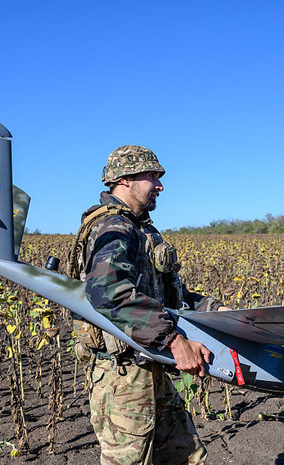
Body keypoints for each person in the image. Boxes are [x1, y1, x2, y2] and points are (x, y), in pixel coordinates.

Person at [68, 145, 228, 465]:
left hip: (149, 361)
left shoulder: (141, 230)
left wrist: (218, 311)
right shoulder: (112, 226)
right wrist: (174, 340)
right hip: (122, 375)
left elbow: (172, 297)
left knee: (185, 455)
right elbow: (110, 292)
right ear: (125, 179)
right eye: (151, 176)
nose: (159, 185)